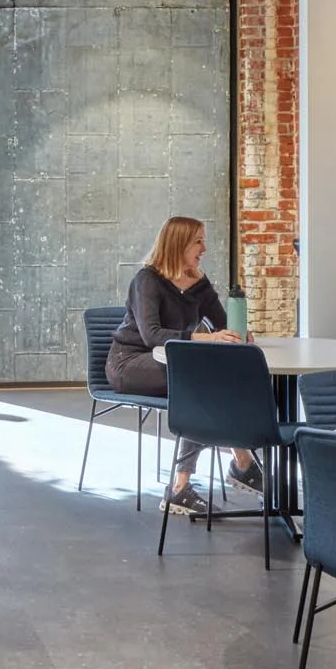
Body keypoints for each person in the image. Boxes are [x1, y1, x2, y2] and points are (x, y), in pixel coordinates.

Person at [105, 215, 251, 515]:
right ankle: (199, 480)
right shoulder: (147, 280)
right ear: (179, 245)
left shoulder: (196, 281)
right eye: (198, 241)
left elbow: (223, 323)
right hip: (130, 363)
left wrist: (239, 330)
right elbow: (151, 336)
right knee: (199, 383)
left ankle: (237, 464)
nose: (204, 248)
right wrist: (206, 339)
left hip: (174, 365)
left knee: (218, 382)